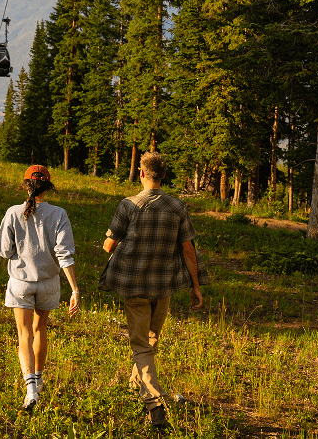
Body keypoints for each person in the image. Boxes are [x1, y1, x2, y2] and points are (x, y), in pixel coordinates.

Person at [100, 151, 209, 429]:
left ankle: (154, 403)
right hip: (163, 287)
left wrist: (110, 243)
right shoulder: (177, 207)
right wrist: (196, 287)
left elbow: (109, 245)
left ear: (141, 174)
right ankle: (136, 384)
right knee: (150, 340)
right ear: (162, 176)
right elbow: (188, 249)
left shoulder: (129, 205)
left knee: (141, 343)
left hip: (134, 285)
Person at [0, 165, 80, 410]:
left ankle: (30, 389)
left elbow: (3, 250)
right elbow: (65, 254)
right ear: (48, 187)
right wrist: (75, 289)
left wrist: (18, 253)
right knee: (40, 328)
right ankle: (39, 378)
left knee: (24, 333)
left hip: (20, 282)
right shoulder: (59, 214)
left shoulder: (13, 212)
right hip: (49, 282)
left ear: (25, 185)